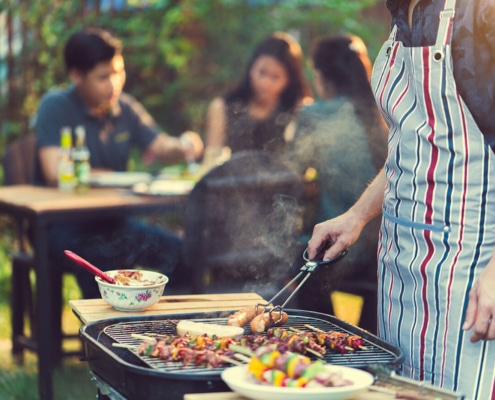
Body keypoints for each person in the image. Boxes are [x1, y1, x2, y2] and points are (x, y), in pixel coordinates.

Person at [307, 1, 495, 399]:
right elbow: (415, 144)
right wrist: (357, 215)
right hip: (399, 261)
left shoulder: (481, 13)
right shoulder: (398, 18)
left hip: (470, 267)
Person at [33, 27, 203, 298]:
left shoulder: (124, 108)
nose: (114, 83)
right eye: (104, 76)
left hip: (114, 223)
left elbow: (160, 145)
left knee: (181, 254)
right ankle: (103, 336)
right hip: (64, 225)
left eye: (118, 72)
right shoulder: (56, 105)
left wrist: (183, 144)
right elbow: (54, 171)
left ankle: (163, 329)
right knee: (103, 257)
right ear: (76, 75)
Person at [289, 34, 388, 333]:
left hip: (341, 252)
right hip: (383, 254)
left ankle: (322, 337)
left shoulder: (313, 115)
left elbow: (291, 174)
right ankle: (366, 337)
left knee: (294, 257)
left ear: (320, 75)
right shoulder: (383, 112)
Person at [203, 31, 312, 166]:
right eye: (261, 72)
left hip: (279, 185)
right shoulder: (222, 106)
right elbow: (211, 161)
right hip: (229, 183)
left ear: (289, 80)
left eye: (275, 77)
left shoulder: (299, 109)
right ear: (251, 67)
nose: (265, 83)